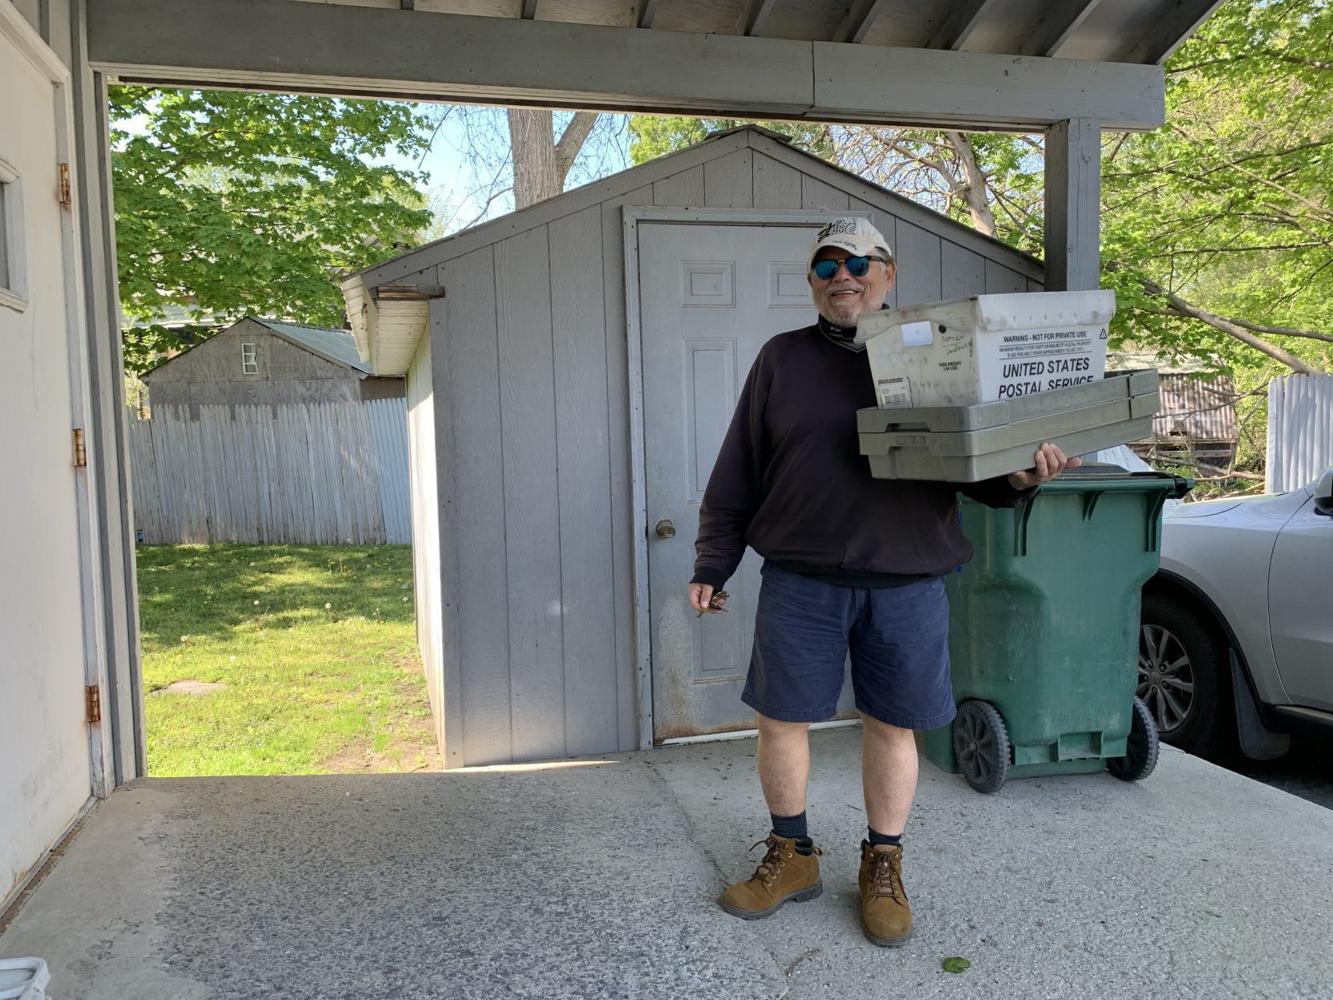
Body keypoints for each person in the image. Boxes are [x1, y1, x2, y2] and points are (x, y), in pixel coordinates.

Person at [688, 217, 1079, 947]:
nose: (845, 274)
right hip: (800, 577)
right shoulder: (781, 360)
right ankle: (791, 854)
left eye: (860, 262)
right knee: (780, 720)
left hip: (907, 579)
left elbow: (981, 464)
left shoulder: (936, 355)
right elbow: (736, 469)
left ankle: (882, 862)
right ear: (811, 282)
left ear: (888, 274)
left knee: (892, 724)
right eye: (827, 264)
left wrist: (1023, 475)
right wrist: (714, 562)